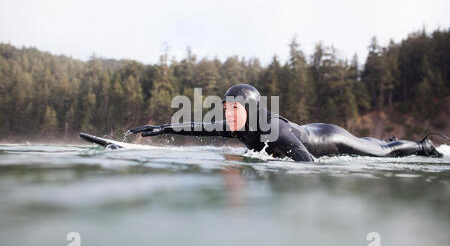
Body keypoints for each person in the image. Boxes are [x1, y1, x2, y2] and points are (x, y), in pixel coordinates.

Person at [129, 84, 445, 162]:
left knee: (382, 152)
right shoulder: (236, 125)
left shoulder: (274, 131)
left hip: (329, 140)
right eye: (225, 108)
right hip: (311, 127)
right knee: (377, 144)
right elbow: (197, 127)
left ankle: (423, 146)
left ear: (250, 109)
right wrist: (161, 128)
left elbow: (308, 164)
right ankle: (390, 140)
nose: (226, 113)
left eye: (232, 108)